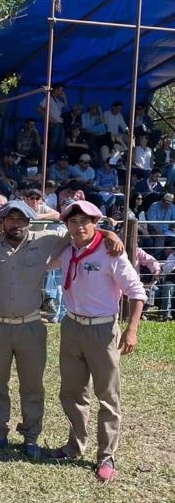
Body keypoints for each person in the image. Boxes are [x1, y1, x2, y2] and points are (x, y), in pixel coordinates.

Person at [0, 198, 123, 459]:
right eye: (10, 218)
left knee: (32, 386)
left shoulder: (46, 240)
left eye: (21, 218)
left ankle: (31, 437)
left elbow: (79, 231)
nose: (16, 223)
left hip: (31, 326)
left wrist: (107, 233)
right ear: (1, 222)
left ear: (29, 221)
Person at [47, 200, 147, 483]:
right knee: (71, 392)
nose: (79, 227)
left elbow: (137, 293)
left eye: (85, 222)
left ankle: (106, 456)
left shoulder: (110, 252)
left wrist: (131, 330)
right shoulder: (67, 251)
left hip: (102, 330)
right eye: (73, 221)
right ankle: (74, 445)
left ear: (96, 223)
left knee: (108, 395)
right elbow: (42, 261)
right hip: (71, 326)